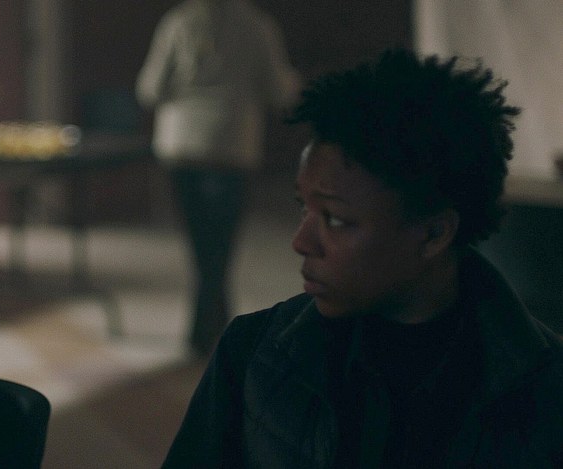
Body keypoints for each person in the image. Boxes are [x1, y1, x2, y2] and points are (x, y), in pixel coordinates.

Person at [162, 48, 563, 467]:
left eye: (335, 219)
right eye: (304, 209)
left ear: (433, 234)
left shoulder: (545, 389)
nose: (302, 241)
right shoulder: (252, 355)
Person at [136, 0, 301, 356]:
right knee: (220, 246)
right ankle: (214, 330)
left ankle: (205, 331)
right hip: (232, 145)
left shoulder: (178, 22)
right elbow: (279, 92)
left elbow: (150, 88)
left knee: (201, 245)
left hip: (182, 145)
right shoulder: (258, 26)